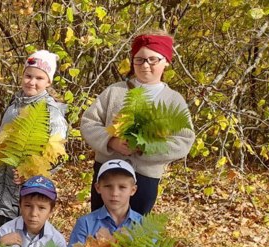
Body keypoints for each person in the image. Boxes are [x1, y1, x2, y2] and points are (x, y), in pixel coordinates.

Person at [80, 30, 195, 215]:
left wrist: (147, 147)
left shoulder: (173, 100)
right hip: (108, 173)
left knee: (134, 232)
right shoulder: (115, 92)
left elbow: (183, 140)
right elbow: (88, 122)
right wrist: (111, 141)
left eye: (153, 59)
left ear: (166, 61)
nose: (145, 65)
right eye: (139, 59)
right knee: (100, 226)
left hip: (145, 177)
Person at [0, 50, 68, 231]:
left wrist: (30, 172)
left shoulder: (51, 112)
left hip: (23, 198)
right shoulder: (13, 105)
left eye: (39, 78)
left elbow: (58, 156)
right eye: (28, 76)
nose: (32, 82)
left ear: (48, 81)